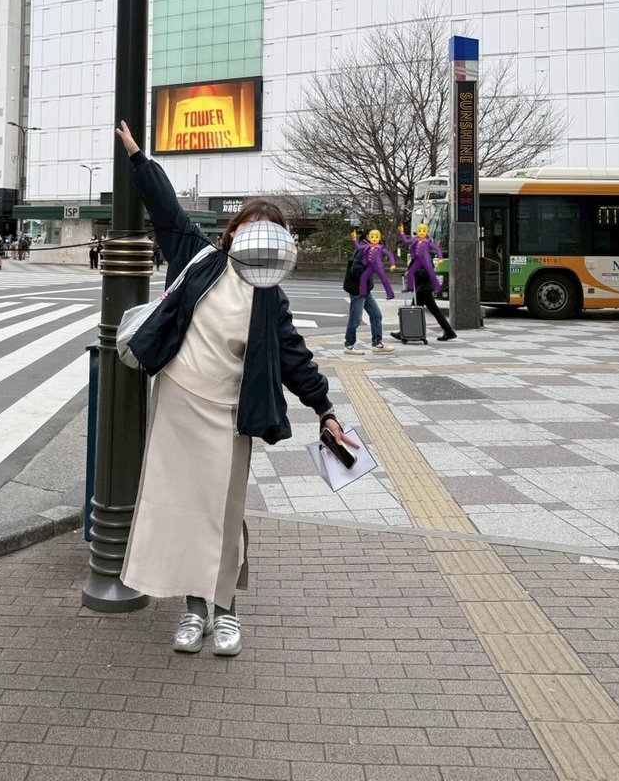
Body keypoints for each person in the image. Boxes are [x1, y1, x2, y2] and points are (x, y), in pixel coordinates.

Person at [114, 120, 357, 657]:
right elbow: (166, 211)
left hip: (229, 412)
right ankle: (192, 611)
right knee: (177, 506)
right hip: (179, 400)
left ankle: (224, 610)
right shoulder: (198, 258)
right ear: (233, 233)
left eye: (269, 233)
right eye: (250, 228)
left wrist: (324, 409)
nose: (257, 240)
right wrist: (138, 159)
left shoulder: (269, 293)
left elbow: (293, 355)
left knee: (222, 512)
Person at [343, 232, 395, 355]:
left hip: (366, 290)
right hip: (358, 290)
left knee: (376, 315)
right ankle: (349, 345)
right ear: (367, 237)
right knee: (355, 319)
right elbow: (355, 269)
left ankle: (377, 343)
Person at [393, 261, 458, 343]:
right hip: (423, 288)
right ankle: (449, 331)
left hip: (423, 289)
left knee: (413, 311)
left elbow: (426, 273)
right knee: (434, 311)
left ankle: (404, 332)